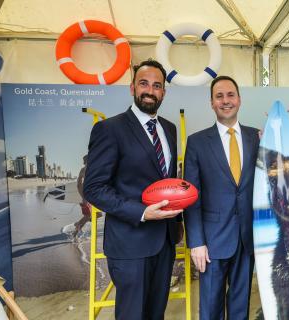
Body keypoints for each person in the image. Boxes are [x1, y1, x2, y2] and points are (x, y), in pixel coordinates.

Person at [83, 59, 183, 320]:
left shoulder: (169, 129)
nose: (150, 90)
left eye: (157, 85)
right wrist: (141, 212)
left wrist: (178, 222)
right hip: (130, 244)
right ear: (132, 88)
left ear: (163, 92)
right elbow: (93, 188)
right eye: (143, 83)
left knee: (155, 314)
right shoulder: (109, 129)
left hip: (164, 241)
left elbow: (168, 182)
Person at [184, 75, 259, 320]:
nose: (225, 101)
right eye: (219, 96)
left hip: (247, 239)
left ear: (239, 99)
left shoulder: (255, 138)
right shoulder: (196, 142)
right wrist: (196, 242)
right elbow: (191, 196)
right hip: (212, 241)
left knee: (240, 307)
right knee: (210, 308)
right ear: (211, 103)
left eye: (230, 95)